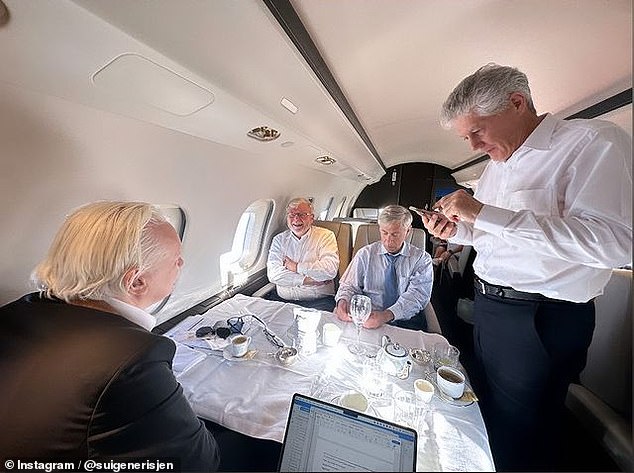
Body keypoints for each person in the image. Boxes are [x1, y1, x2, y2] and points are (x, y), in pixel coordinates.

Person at [423, 63, 632, 470]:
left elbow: (616, 243)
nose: (473, 145)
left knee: (523, 435)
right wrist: (456, 231)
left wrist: (484, 212)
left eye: (477, 131)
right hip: (490, 308)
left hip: (541, 317)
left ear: (517, 103)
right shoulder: (495, 169)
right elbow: (492, 238)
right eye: (466, 137)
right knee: (486, 414)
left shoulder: (592, 143)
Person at [0, 201, 220, 471]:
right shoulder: (136, 358)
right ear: (136, 281)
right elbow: (199, 461)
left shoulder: (15, 310)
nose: (181, 263)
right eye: (176, 257)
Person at [335, 205, 433, 330]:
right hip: (367, 317)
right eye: (384, 233)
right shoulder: (365, 254)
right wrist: (342, 302)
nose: (388, 240)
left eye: (395, 234)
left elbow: (417, 296)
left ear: (408, 231)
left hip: (405, 320)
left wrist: (386, 315)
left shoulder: (422, 259)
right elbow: (348, 286)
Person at [266, 197, 339, 311]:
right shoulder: (279, 240)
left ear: (312, 218)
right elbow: (273, 274)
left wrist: (296, 267)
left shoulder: (326, 236)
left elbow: (329, 270)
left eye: (302, 214)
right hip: (282, 300)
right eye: (291, 215)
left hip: (318, 302)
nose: (296, 219)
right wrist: (308, 280)